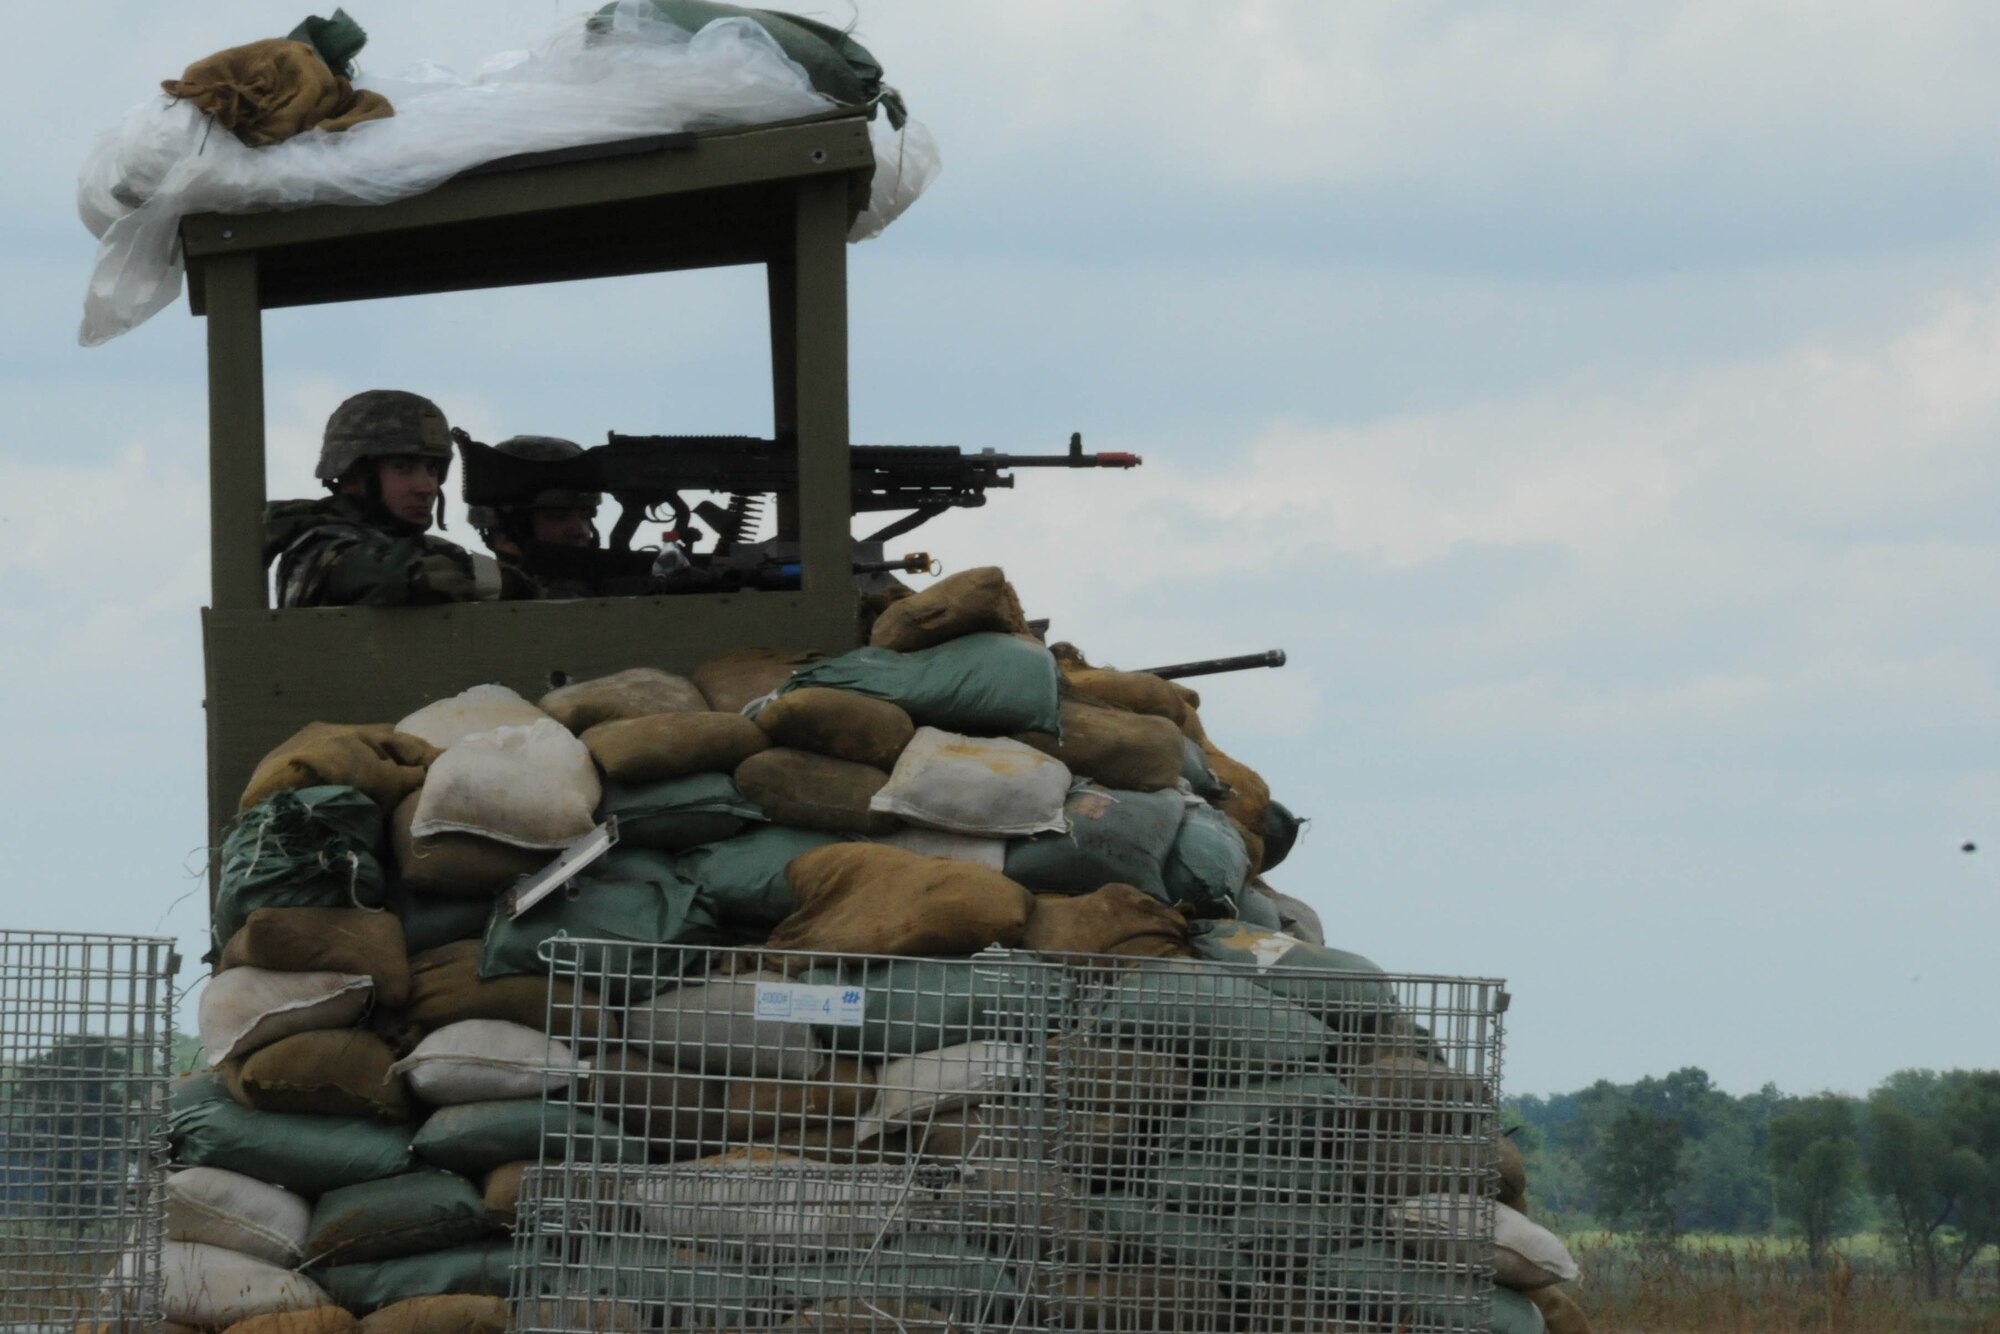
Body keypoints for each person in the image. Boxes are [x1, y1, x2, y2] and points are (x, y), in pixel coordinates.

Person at [263, 389, 535, 608]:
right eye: (404, 468)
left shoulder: (397, 545)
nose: (426, 486)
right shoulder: (317, 546)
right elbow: (400, 576)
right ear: (356, 473)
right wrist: (509, 580)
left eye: (433, 470)